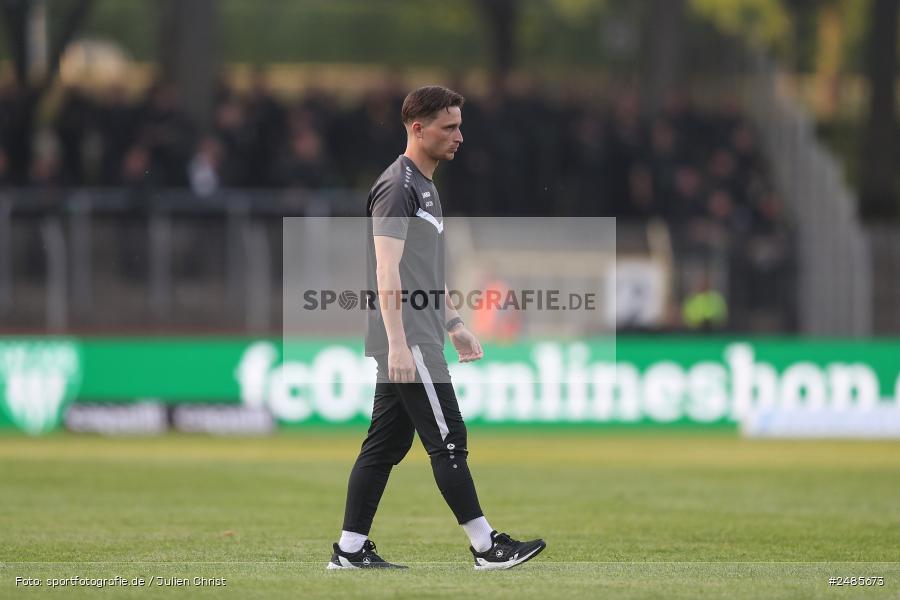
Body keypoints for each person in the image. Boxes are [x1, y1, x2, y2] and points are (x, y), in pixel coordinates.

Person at [327, 86, 546, 571]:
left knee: (385, 445)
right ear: (417, 128)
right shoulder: (397, 186)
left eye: (459, 126)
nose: (459, 136)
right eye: (449, 127)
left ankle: (349, 550)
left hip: (419, 331)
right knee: (448, 437)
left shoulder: (424, 185)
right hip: (408, 336)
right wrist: (398, 344)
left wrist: (455, 323)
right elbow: (387, 270)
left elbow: (423, 271)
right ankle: (486, 547)